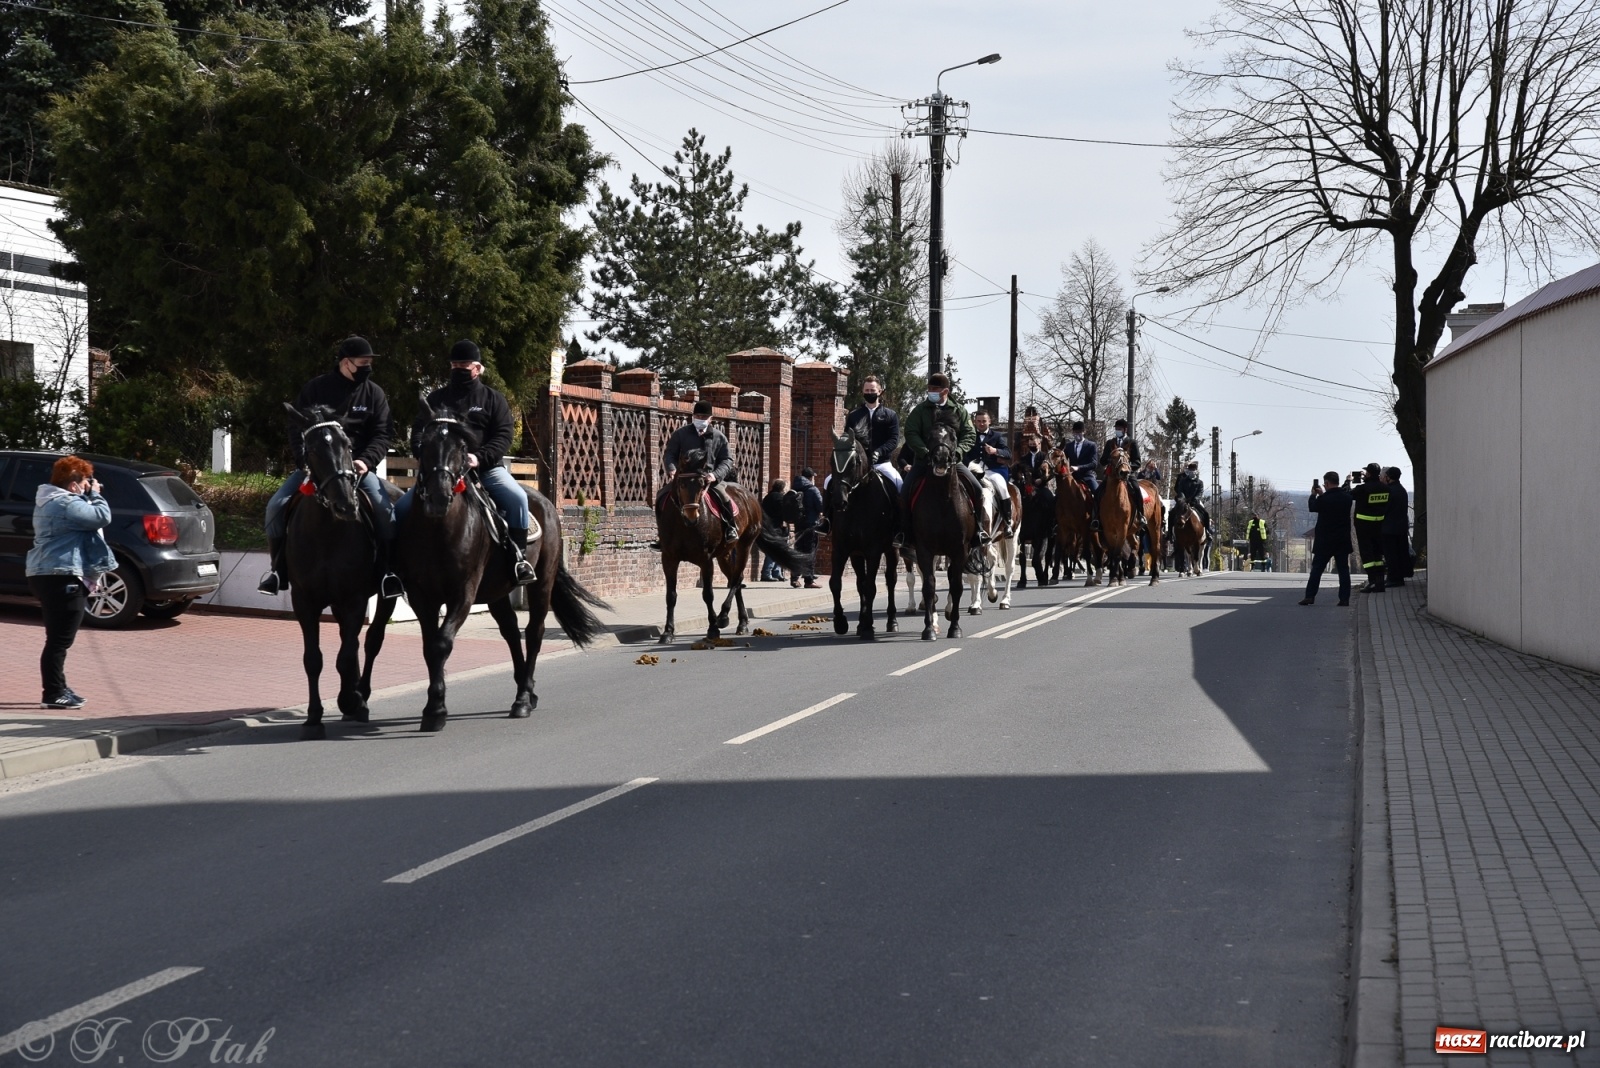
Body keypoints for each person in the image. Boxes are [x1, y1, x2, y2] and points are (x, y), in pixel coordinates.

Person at [260, 335, 400, 597]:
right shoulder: (315, 389)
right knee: (275, 507)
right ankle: (277, 571)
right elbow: (296, 428)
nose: (368, 367)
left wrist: (366, 460)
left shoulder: (375, 394)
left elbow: (383, 433)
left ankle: (388, 573)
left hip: (358, 469)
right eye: (363, 363)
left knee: (385, 512)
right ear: (346, 363)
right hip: (317, 467)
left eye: (369, 363)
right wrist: (304, 461)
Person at [396, 340, 536, 584]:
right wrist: (422, 452)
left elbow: (504, 435)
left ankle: (519, 559)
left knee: (518, 499)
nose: (459, 369)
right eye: (455, 365)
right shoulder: (437, 398)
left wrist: (479, 458)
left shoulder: (493, 399)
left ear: (478, 368)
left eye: (464, 365)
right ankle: (394, 567)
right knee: (400, 509)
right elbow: (419, 429)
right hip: (442, 471)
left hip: (484, 469)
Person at [26, 456, 115, 710]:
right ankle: (53, 694)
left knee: (57, 639)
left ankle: (59, 687)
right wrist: (96, 495)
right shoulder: (66, 503)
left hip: (48, 573)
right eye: (85, 481)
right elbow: (101, 516)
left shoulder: (50, 500)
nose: (88, 485)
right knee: (59, 641)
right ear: (73, 485)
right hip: (61, 575)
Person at [893, 373, 985, 571]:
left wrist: (958, 452)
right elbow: (911, 432)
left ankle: (978, 532)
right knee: (904, 491)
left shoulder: (959, 410)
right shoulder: (920, 410)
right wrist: (924, 452)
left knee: (977, 489)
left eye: (934, 390)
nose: (930, 392)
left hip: (953, 461)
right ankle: (904, 534)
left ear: (945, 391)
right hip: (924, 462)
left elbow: (969, 434)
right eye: (929, 389)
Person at [661, 399, 739, 545]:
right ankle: (662, 535)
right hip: (685, 478)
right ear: (693, 417)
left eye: (704, 417)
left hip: (709, 478)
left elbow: (727, 460)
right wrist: (672, 469)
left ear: (711, 419)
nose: (700, 419)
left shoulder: (719, 437)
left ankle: (731, 527)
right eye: (697, 416)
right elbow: (670, 454)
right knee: (663, 495)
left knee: (723, 496)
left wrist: (715, 475)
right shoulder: (680, 434)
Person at [1300, 471, 1354, 606]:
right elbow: (1338, 498)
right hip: (1342, 539)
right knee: (1343, 570)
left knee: (1317, 569)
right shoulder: (1347, 498)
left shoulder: (1324, 499)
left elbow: (1313, 507)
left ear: (1327, 483)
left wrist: (1314, 495)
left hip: (1325, 540)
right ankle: (1344, 598)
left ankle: (1310, 596)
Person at [844, 374, 903, 489]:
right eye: (867, 390)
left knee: (899, 484)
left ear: (879, 392)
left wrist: (879, 452)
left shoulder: (891, 415)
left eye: (872, 390)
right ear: (862, 392)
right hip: (858, 465)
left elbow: (894, 439)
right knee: (828, 481)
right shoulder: (853, 415)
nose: (869, 393)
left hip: (882, 463)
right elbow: (847, 438)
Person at [964, 409, 1014, 536]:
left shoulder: (996, 436)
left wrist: (995, 451)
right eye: (979, 421)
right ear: (974, 422)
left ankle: (1008, 522)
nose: (981, 424)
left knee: (1002, 487)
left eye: (984, 421)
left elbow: (1008, 453)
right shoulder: (969, 435)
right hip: (972, 470)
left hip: (992, 470)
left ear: (989, 421)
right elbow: (964, 453)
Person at [1094, 418, 1147, 535]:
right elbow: (1102, 460)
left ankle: (1140, 516)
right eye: (1116, 428)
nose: (1117, 430)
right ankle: (1096, 518)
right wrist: (1110, 460)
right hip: (1112, 475)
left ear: (1125, 430)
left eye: (1119, 429)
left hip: (1127, 474)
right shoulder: (1110, 443)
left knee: (1136, 490)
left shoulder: (1132, 443)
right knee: (1098, 492)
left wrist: (1126, 467)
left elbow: (1137, 462)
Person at [1352, 462, 1390, 592]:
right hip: (1379, 525)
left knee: (1367, 554)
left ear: (1368, 473)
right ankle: (1379, 582)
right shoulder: (1385, 488)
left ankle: (1372, 581)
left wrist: (1349, 481)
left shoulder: (1363, 489)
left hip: (1363, 527)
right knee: (1378, 554)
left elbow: (1348, 494)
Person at [1381, 466, 1413, 587]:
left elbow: (1384, 509)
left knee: (1391, 555)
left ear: (1388, 477)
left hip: (1389, 528)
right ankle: (1398, 577)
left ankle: (1393, 578)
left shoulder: (1389, 491)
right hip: (1401, 527)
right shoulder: (1402, 490)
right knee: (1400, 553)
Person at [793, 467, 825, 588]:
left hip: (798, 524)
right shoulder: (813, 489)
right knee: (810, 552)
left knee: (798, 551)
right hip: (811, 524)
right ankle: (809, 580)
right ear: (811, 477)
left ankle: (794, 578)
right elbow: (821, 506)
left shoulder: (795, 488)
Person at [759, 479, 791, 582]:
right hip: (777, 527)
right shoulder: (779, 498)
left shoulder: (768, 497)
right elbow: (782, 512)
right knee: (775, 550)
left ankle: (776, 573)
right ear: (782, 487)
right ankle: (768, 573)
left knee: (777, 550)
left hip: (768, 526)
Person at [1173, 459, 1211, 532]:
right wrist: (1183, 499)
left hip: (1195, 502)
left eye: (1193, 469)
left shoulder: (1200, 482)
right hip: (1183, 502)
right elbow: (1180, 490)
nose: (1192, 471)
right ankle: (1169, 533)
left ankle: (1207, 531)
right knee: (1172, 512)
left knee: (1205, 513)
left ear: (1196, 471)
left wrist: (1195, 500)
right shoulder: (1183, 481)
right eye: (1190, 469)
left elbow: (1200, 492)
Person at [1063, 421, 1098, 492]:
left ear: (1084, 432)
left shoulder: (1091, 445)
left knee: (1097, 492)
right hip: (1072, 476)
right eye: (1075, 432)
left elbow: (1094, 464)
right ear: (1073, 432)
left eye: (1079, 432)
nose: (1077, 434)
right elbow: (1064, 461)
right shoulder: (1069, 446)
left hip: (1087, 476)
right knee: (1059, 493)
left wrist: (1078, 468)